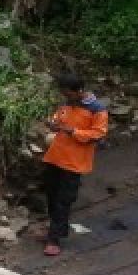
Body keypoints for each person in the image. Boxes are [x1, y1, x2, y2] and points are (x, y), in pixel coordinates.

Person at [40, 74, 108, 257]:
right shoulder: (66, 105)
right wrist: (52, 124)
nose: (65, 96)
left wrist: (74, 132)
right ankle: (54, 230)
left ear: (79, 91)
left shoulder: (97, 109)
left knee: (64, 200)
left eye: (67, 93)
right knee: (52, 196)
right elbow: (57, 120)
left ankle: (54, 239)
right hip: (55, 157)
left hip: (75, 162)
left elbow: (98, 134)